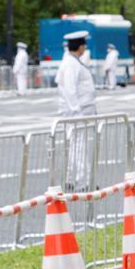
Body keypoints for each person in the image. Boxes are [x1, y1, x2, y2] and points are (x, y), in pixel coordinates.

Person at [57, 30, 99, 188]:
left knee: (74, 145)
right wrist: (77, 111)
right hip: (76, 111)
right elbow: (70, 89)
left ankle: (71, 179)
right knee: (79, 146)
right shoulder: (71, 63)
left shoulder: (72, 61)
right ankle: (83, 181)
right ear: (80, 47)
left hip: (78, 110)